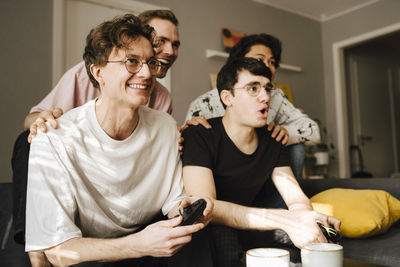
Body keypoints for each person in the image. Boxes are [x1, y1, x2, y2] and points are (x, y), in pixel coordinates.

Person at [25, 14, 212, 267]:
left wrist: (185, 209)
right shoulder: (52, 138)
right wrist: (137, 245)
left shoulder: (166, 127)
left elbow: (173, 199)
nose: (147, 73)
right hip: (90, 252)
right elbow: (57, 253)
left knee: (199, 239)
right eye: (132, 62)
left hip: (147, 243)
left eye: (151, 62)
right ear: (98, 72)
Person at [180, 57, 340, 266]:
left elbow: (294, 195)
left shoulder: (272, 138)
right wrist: (286, 220)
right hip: (217, 225)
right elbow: (205, 207)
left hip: (257, 225)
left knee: (327, 232)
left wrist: (307, 219)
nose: (265, 97)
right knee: (220, 240)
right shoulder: (200, 134)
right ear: (228, 98)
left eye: (267, 88)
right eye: (253, 89)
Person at [185, 34, 320, 181]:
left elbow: (314, 131)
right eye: (260, 59)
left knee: (296, 149)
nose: (267, 66)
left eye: (272, 62)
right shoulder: (204, 104)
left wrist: (286, 133)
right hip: (220, 176)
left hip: (261, 171)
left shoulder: (276, 97)